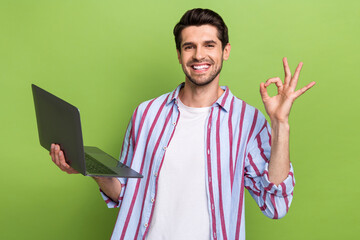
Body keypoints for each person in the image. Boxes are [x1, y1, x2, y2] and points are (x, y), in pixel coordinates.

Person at [49, 8, 315, 240]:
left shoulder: (248, 122)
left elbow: (276, 205)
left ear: (226, 50)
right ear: (179, 54)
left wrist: (280, 123)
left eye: (209, 45)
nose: (199, 56)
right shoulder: (146, 114)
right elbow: (127, 194)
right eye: (189, 47)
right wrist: (91, 169)